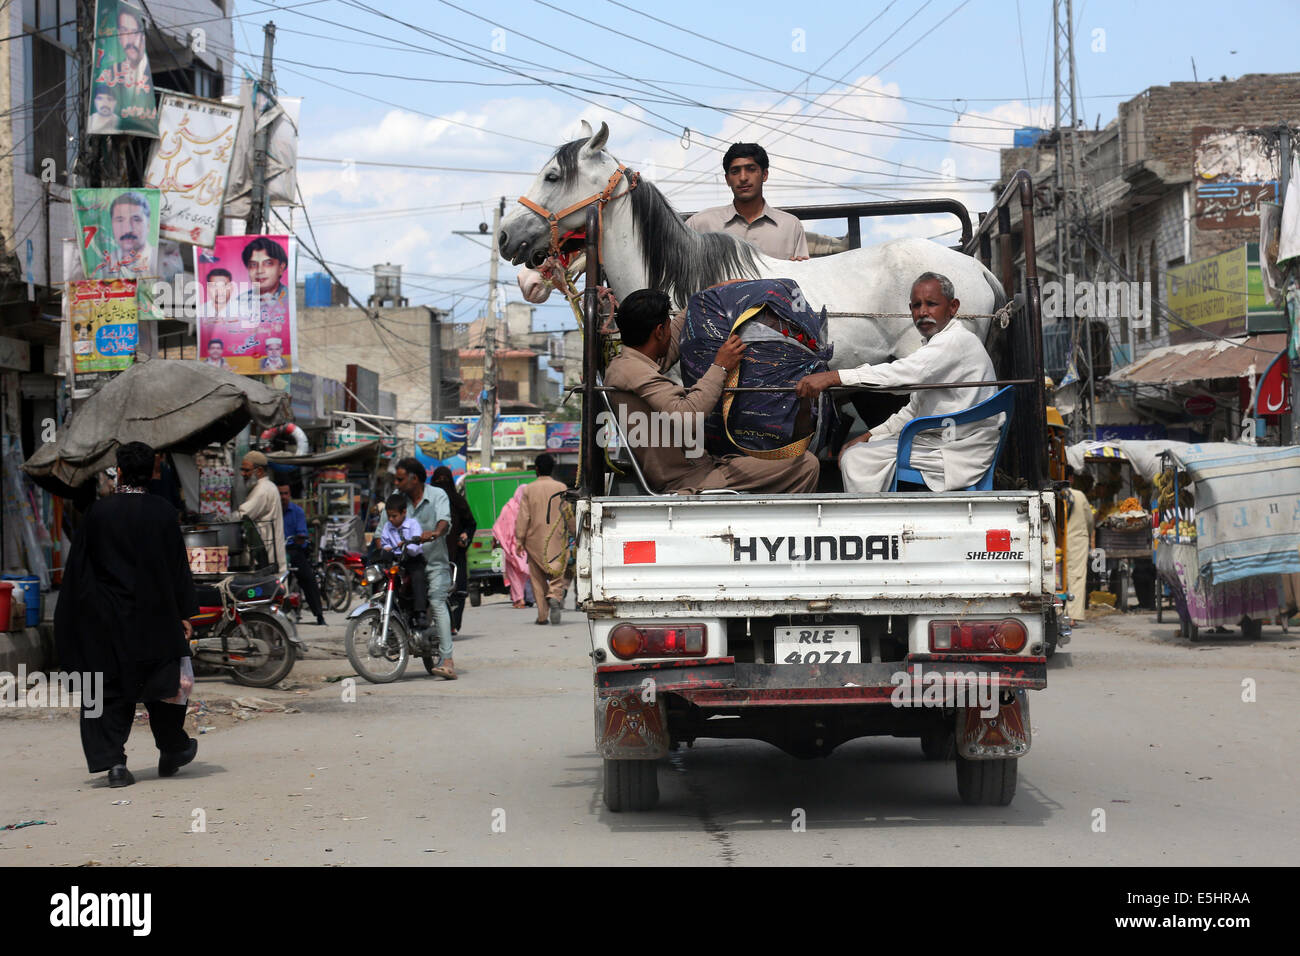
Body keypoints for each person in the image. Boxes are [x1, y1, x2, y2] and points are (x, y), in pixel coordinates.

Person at [54, 441, 199, 788]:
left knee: (105, 687)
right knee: (164, 683)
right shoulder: (164, 512)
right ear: (153, 471)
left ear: (118, 471)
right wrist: (185, 614)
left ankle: (114, 764)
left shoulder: (98, 514)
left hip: (106, 620)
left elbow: (79, 572)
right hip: (156, 618)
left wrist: (75, 619)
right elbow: (179, 568)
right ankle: (172, 748)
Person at [796, 272, 1001, 494]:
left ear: (953, 307)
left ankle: (870, 526)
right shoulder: (940, 345)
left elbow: (899, 375)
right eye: (916, 306)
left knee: (856, 459)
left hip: (959, 449)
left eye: (931, 304)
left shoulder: (955, 341)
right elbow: (914, 410)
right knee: (861, 449)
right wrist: (868, 436)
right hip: (948, 441)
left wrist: (832, 377)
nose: (922, 312)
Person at [605, 288, 820, 495]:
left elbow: (669, 343)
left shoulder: (633, 362)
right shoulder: (632, 371)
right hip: (689, 480)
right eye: (667, 328)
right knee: (805, 464)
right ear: (660, 331)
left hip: (704, 467)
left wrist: (704, 298)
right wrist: (721, 366)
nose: (671, 334)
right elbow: (688, 414)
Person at [684, 143, 810, 260]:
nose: (743, 178)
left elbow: (802, 277)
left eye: (751, 169)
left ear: (764, 175)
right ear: (727, 179)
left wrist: (800, 269)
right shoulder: (700, 224)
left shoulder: (790, 226)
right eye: (735, 171)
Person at [394, 457, 455, 678]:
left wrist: (436, 533)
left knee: (437, 601)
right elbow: (383, 525)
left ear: (415, 479)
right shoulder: (397, 499)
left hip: (435, 563)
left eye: (400, 479)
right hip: (405, 564)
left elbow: (444, 520)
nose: (396, 483)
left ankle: (448, 660)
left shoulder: (438, 495)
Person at [515, 454, 575, 626]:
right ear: (552, 469)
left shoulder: (528, 489)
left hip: (534, 540)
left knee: (537, 579)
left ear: (537, 469)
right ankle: (555, 595)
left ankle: (542, 616)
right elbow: (568, 513)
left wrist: (520, 539)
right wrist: (575, 532)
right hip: (557, 539)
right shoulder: (561, 487)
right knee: (558, 572)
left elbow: (524, 516)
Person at [431, 466, 476, 635]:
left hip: (455, 554)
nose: (442, 485)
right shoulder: (427, 502)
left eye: (445, 481)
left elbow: (470, 523)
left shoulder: (458, 502)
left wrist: (465, 536)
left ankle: (452, 625)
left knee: (457, 591)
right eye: (438, 481)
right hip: (432, 552)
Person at [378, 492, 429, 625]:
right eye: (389, 516)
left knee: (418, 576)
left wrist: (407, 545)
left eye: (394, 516)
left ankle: (420, 612)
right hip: (396, 561)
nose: (391, 519)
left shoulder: (413, 524)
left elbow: (416, 545)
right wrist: (387, 548)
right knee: (383, 577)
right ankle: (387, 608)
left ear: (404, 512)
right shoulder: (388, 527)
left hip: (413, 559)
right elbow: (385, 542)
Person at [279, 484, 326, 626]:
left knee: (308, 578)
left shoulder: (297, 511)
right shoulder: (272, 511)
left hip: (294, 550)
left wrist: (299, 537)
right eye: (280, 494)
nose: (283, 497)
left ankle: (319, 615)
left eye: (286, 493)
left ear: (290, 495)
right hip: (278, 551)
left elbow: (302, 532)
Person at [237, 450, 287, 575]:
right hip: (267, 555)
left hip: (266, 558)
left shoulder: (263, 489)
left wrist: (223, 519)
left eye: (246, 470)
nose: (243, 474)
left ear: (259, 471)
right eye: (241, 470)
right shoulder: (266, 487)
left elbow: (243, 514)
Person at [91, 191, 154, 280]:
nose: (128, 229)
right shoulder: (104, 266)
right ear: (111, 225)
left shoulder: (160, 260)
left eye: (136, 220)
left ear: (148, 226)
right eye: (120, 220)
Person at [1063, 467, 1095, 623]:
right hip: (1077, 541)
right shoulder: (1079, 496)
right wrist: (1088, 532)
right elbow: (1090, 520)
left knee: (1056, 578)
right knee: (1076, 577)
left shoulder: (1053, 496)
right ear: (1071, 478)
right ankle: (1072, 615)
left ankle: (1056, 612)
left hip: (1057, 542)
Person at [492, 484, 531, 609]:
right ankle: (519, 598)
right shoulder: (527, 509)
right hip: (522, 546)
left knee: (514, 574)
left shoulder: (508, 508)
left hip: (510, 546)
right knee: (522, 573)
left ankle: (518, 598)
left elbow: (498, 526)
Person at [238, 237, 290, 321]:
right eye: (253, 265)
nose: (259, 271)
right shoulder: (239, 302)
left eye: (268, 263)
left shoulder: (290, 300)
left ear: (281, 268)